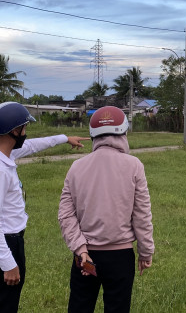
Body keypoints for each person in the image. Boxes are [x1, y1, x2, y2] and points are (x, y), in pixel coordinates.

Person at [0, 101, 90, 313]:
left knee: (5, 301)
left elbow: (31, 146)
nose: (25, 133)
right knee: (5, 305)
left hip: (6, 240)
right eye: (24, 128)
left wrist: (64, 138)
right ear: (14, 131)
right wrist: (8, 263)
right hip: (5, 242)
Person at [58, 105, 154, 313]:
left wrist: (80, 249)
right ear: (123, 133)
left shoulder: (76, 167)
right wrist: (145, 252)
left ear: (93, 135)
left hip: (85, 257)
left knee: (80, 307)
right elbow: (142, 214)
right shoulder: (134, 165)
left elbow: (65, 215)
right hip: (121, 257)